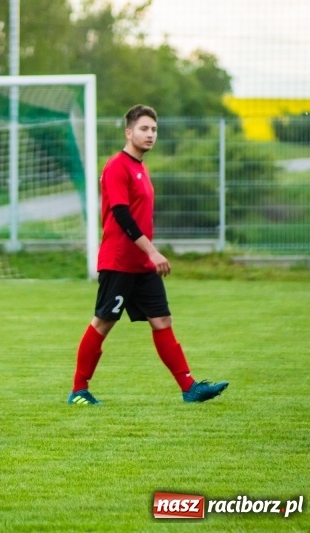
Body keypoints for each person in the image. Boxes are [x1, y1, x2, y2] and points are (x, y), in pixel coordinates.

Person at [68, 104, 228, 405]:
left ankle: (189, 388)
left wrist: (148, 256)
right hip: (119, 262)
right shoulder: (117, 166)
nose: (150, 134)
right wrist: (153, 251)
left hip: (141, 265)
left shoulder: (141, 168)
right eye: (144, 128)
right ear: (129, 132)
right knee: (103, 323)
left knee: (162, 320)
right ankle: (78, 391)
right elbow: (121, 215)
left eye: (154, 129)